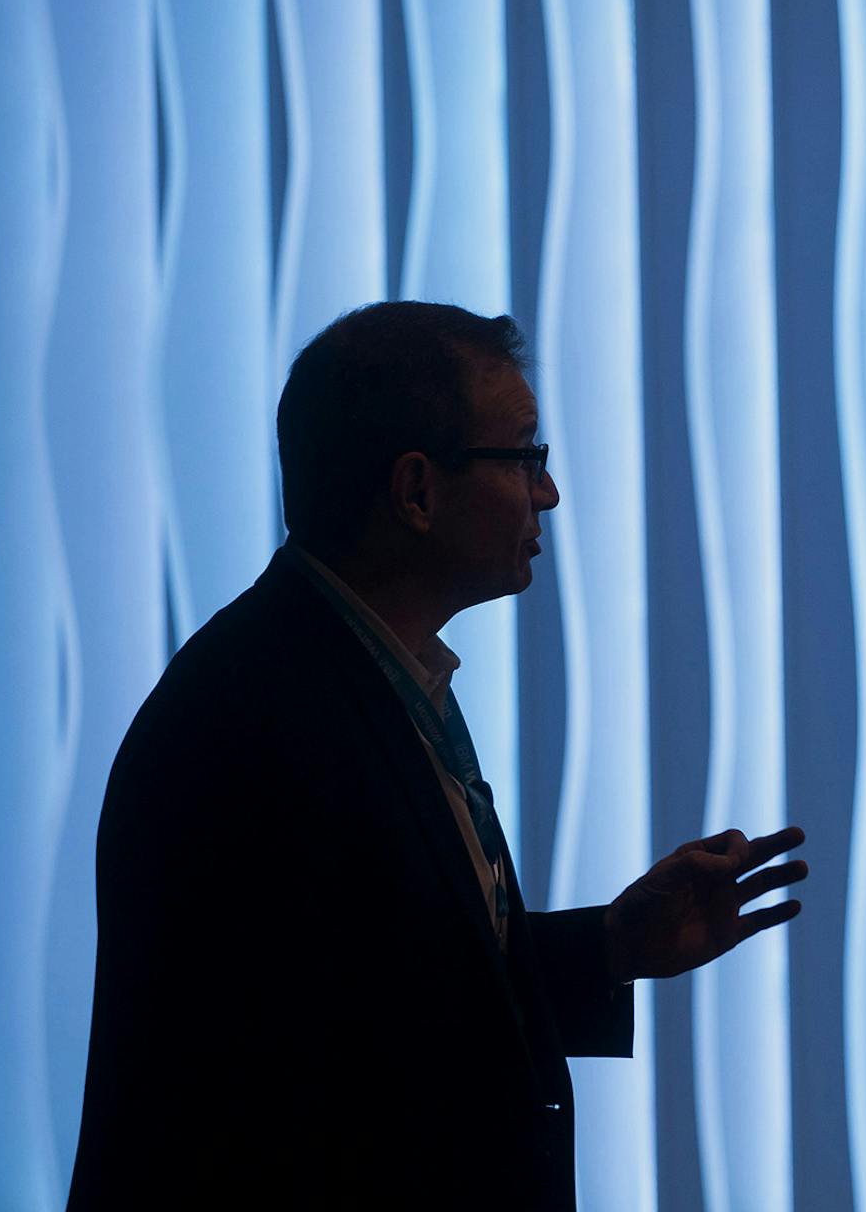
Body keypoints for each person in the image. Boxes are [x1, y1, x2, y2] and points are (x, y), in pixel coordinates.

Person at [68, 301, 804, 1208]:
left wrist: (610, 945)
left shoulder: (354, 674)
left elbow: (390, 988)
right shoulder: (255, 723)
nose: (549, 492)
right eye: (525, 454)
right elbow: (276, 1096)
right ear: (416, 492)